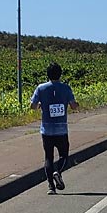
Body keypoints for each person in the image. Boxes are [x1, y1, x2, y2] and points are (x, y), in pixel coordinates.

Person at [30, 62, 79, 195]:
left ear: (48, 74)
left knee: (48, 158)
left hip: (46, 129)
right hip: (61, 129)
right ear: (60, 74)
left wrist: (40, 104)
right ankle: (58, 172)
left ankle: (51, 187)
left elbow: (33, 106)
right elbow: (73, 106)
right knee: (63, 155)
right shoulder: (66, 88)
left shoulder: (41, 88)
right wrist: (75, 104)